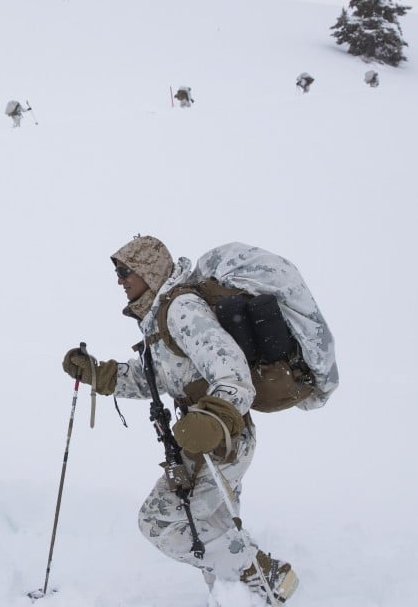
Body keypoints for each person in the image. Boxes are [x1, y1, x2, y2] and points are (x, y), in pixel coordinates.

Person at [60, 236, 298, 605]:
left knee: (160, 522)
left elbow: (234, 374)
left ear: (150, 271)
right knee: (210, 525)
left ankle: (262, 573)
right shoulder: (157, 318)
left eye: (126, 271)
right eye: (118, 272)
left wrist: (214, 419)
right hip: (204, 439)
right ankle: (244, 595)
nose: (120, 280)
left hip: (219, 441)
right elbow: (152, 378)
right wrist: (100, 374)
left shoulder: (182, 310)